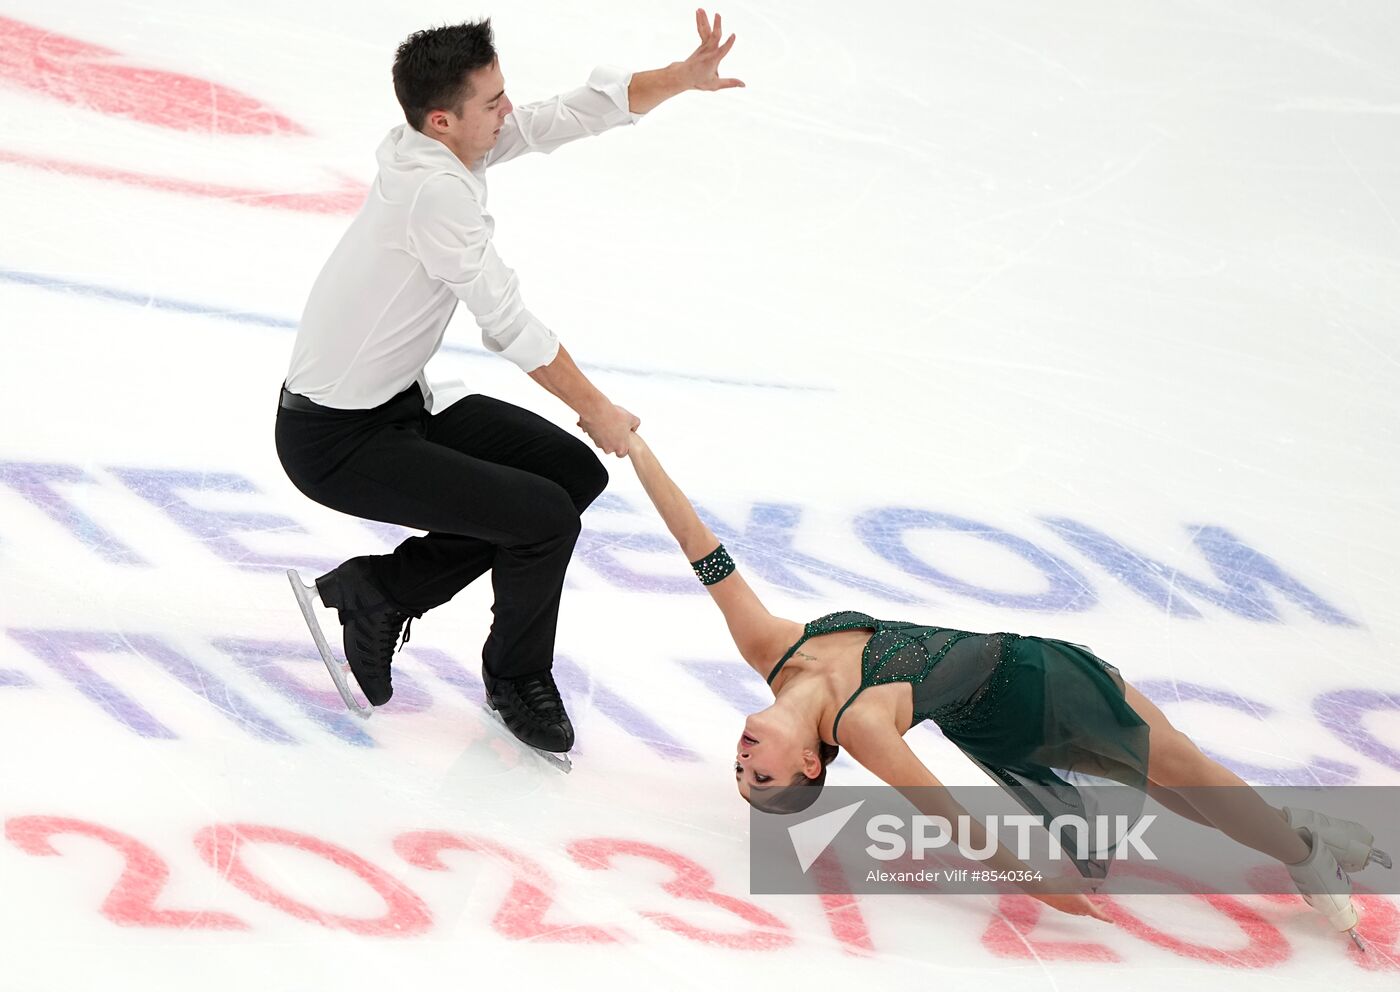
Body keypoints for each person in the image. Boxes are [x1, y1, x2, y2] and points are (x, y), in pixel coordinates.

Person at [623, 431, 1386, 944]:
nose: (745, 759)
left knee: (1174, 777)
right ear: (810, 765)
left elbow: (702, 549)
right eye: (762, 777)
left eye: (741, 770)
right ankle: (1307, 850)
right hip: (1024, 703)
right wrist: (1034, 878)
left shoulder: (770, 645)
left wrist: (637, 451)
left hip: (1028, 664)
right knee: (1181, 769)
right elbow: (948, 814)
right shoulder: (860, 729)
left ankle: (1300, 835)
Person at [275, 12, 745, 756]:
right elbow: (510, 323)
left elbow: (563, 116)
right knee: (542, 518)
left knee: (571, 476)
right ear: (442, 118)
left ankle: (383, 592)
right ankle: (515, 677)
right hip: (336, 439)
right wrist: (599, 408)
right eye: (492, 102)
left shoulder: (439, 145)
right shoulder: (434, 193)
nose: (508, 111)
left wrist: (678, 80)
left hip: (401, 404)